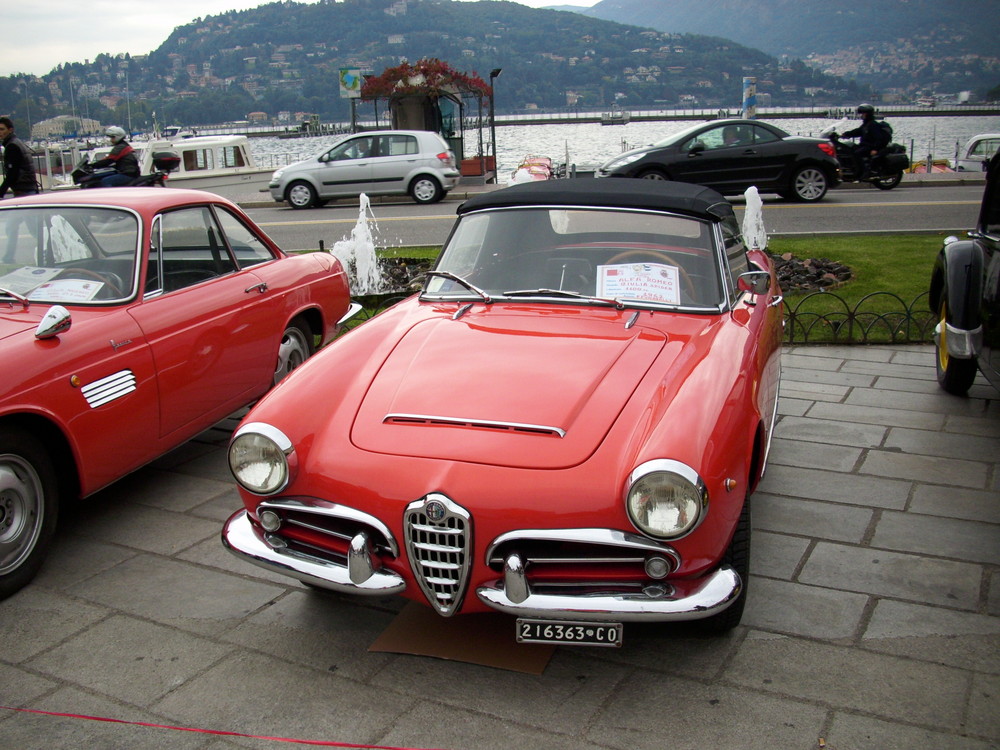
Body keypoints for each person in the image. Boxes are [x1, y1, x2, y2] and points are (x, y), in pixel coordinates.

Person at [839, 104, 891, 180]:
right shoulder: (866, 124)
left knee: (856, 154)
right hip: (864, 145)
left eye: (863, 114)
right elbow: (858, 131)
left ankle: (862, 173)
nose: (861, 115)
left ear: (867, 114)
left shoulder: (873, 125)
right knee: (849, 149)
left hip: (870, 146)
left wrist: (875, 149)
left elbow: (879, 138)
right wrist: (845, 134)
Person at [0, 116, 39, 200]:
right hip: (30, 187)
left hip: (23, 189)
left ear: (10, 130)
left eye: (2, 129)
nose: (0, 132)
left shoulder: (12, 146)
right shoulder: (17, 142)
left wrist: (1, 191)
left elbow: (12, 172)